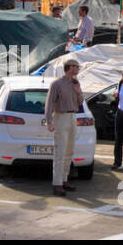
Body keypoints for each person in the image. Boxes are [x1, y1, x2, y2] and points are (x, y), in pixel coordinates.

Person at [44, 59, 84, 196]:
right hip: (60, 117)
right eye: (76, 67)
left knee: (69, 151)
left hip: (73, 117)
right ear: (70, 68)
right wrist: (49, 121)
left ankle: (64, 179)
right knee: (60, 151)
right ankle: (57, 183)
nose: (78, 69)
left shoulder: (75, 83)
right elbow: (49, 103)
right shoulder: (56, 84)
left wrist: (78, 91)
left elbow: (80, 102)